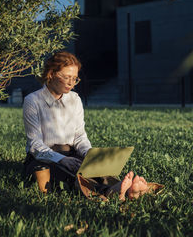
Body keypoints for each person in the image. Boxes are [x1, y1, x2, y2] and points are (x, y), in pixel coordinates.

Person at [23, 51, 150, 200]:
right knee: (69, 172)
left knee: (94, 167)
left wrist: (89, 155)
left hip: (71, 153)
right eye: (67, 77)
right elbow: (35, 144)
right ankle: (111, 191)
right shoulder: (33, 101)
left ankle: (121, 189)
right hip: (44, 157)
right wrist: (61, 159)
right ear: (51, 74)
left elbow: (79, 136)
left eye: (75, 79)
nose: (71, 83)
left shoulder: (75, 99)